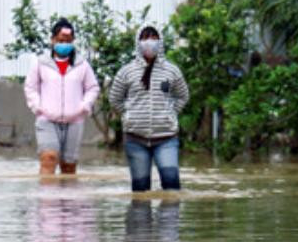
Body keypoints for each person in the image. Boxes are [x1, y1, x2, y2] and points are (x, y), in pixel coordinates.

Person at [110, 26, 189, 192]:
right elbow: (115, 99)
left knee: (172, 185)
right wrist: (128, 115)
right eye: (145, 38)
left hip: (166, 137)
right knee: (140, 189)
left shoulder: (172, 71)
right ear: (138, 42)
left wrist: (170, 114)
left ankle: (169, 218)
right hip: (135, 139)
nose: (149, 42)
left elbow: (183, 96)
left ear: (160, 42)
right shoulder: (126, 71)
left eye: (154, 37)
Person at [24, 19, 100, 176]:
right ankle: (47, 199)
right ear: (52, 40)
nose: (64, 44)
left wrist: (84, 106)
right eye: (60, 40)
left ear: (73, 42)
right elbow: (30, 87)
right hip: (47, 119)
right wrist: (37, 106)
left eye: (68, 41)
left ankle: (67, 199)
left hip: (74, 121)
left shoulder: (82, 64)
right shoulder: (41, 63)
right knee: (48, 158)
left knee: (69, 166)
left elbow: (92, 88)